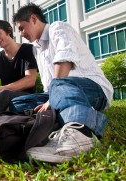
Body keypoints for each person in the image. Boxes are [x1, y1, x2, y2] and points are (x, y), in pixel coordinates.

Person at [8, 3, 113, 163]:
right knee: (18, 102)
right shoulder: (36, 49)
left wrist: (52, 98)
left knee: (59, 85)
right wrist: (49, 98)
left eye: (22, 28)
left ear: (33, 19)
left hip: (93, 88)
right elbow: (48, 84)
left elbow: (65, 60)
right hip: (59, 93)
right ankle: (57, 118)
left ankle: (82, 133)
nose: (21, 34)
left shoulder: (58, 28)